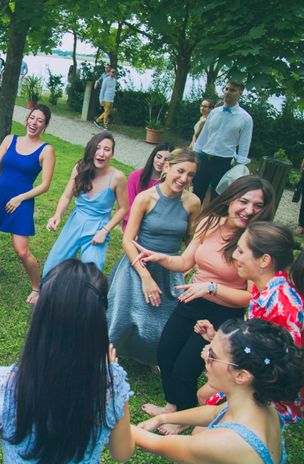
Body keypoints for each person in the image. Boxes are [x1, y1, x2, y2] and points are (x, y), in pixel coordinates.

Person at [0, 260, 135, 464]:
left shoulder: (7, 385)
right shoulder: (111, 382)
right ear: (98, 321)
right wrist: (112, 372)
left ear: (41, 314)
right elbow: (123, 453)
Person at [135, 176, 275, 433]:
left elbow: (254, 297)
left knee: (185, 369)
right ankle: (172, 406)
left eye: (257, 205)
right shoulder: (210, 222)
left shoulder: (255, 241)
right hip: (192, 300)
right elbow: (186, 262)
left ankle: (186, 417)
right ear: (231, 198)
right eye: (244, 201)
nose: (249, 210)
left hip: (223, 313)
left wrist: (212, 288)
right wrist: (162, 258)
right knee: (165, 354)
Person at [133, 318, 303, 464]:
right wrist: (163, 418)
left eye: (212, 354)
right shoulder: (261, 403)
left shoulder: (227, 444)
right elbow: (215, 411)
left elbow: (155, 444)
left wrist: (113, 411)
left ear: (241, 376)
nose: (204, 356)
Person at [195, 221, 304, 424]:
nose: (234, 256)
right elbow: (256, 342)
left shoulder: (283, 306)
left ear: (264, 260)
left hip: (272, 392)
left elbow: (284, 369)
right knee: (204, 396)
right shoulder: (263, 288)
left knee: (206, 403)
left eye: (241, 251)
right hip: (251, 372)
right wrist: (217, 339)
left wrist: (222, 359)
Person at [107, 149, 201, 366]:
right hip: (138, 264)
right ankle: (107, 356)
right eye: (180, 171)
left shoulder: (192, 203)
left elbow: (192, 239)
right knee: (122, 317)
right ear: (166, 167)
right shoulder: (145, 198)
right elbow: (128, 240)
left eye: (190, 175)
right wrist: (145, 276)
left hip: (170, 268)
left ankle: (149, 357)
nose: (184, 179)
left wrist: (190, 263)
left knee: (164, 320)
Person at [0, 105, 56, 304]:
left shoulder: (46, 149)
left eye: (39, 120)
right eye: (32, 118)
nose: (34, 123)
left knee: (21, 250)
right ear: (27, 119)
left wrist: (20, 198)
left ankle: (37, 287)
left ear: (45, 125)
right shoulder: (10, 140)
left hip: (21, 200)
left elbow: (45, 185)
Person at [43, 131, 128, 276]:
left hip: (98, 228)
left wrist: (105, 231)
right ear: (91, 149)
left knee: (91, 274)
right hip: (75, 222)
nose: (101, 153)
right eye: (98, 148)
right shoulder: (79, 168)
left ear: (112, 154)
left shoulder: (117, 177)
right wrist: (57, 215)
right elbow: (66, 196)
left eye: (106, 150)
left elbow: (124, 208)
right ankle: (44, 293)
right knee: (52, 267)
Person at [192, 81, 253, 202]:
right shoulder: (214, 112)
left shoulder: (246, 118)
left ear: (240, 93)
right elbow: (204, 136)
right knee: (196, 194)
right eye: (226, 89)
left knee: (217, 199)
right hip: (204, 159)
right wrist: (195, 154)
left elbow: (244, 145)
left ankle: (211, 221)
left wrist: (239, 167)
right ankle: (191, 220)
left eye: (232, 90)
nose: (228, 92)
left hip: (223, 163)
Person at [122, 142, 174, 231]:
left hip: (156, 228)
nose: (161, 162)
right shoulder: (135, 177)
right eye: (159, 157)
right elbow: (129, 206)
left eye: (166, 159)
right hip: (133, 224)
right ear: (153, 156)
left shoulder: (170, 184)